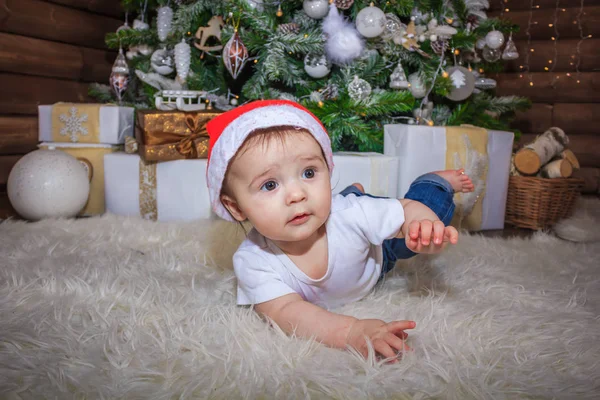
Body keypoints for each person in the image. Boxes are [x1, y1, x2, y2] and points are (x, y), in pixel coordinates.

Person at [205, 100, 474, 362]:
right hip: (347, 220)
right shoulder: (252, 261)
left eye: (309, 173)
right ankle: (354, 191)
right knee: (346, 204)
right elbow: (287, 312)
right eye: (269, 185)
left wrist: (422, 224)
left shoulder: (349, 214)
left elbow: (405, 209)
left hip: (377, 253)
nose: (297, 194)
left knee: (412, 233)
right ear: (235, 208)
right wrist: (351, 331)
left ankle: (434, 182)